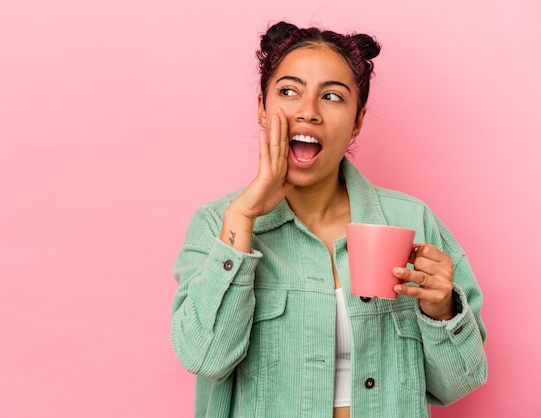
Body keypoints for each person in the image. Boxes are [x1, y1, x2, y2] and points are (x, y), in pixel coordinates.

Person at [170, 21, 487, 418]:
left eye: (332, 97)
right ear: (262, 109)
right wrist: (244, 215)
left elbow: (458, 384)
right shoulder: (219, 223)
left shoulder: (411, 220)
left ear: (357, 120)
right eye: (288, 91)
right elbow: (204, 358)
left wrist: (441, 311)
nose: (308, 112)